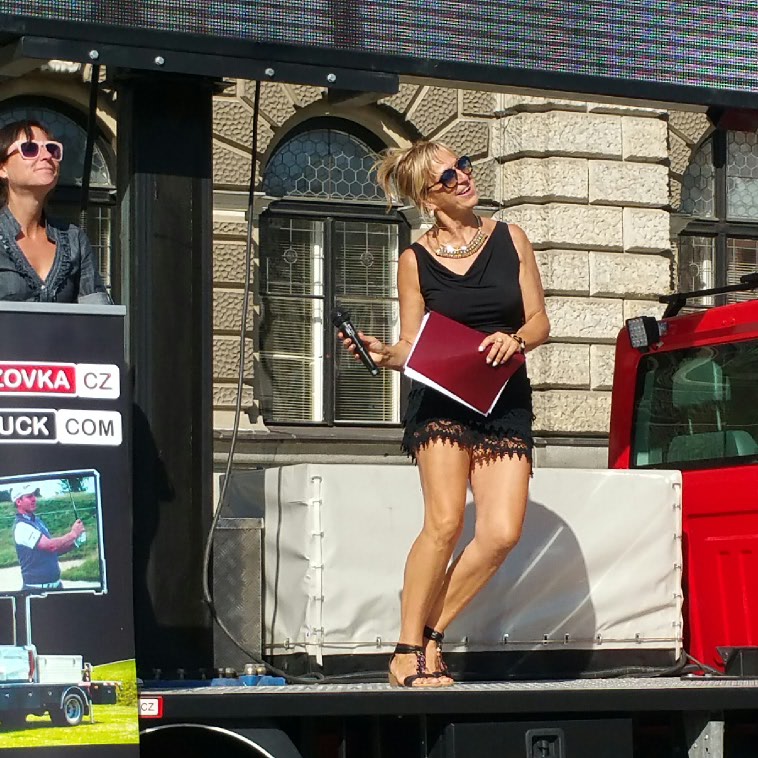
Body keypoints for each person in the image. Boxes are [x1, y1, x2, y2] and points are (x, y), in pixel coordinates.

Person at [340, 142, 550, 687]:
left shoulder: (512, 238)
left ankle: (433, 633)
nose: (463, 178)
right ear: (427, 198)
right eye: (448, 177)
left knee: (501, 532)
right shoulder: (414, 260)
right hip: (441, 402)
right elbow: (413, 345)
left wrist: (516, 338)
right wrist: (385, 354)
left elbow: (539, 322)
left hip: (504, 398)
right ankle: (406, 650)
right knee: (446, 523)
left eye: (463, 166)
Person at [0, 119, 110, 303]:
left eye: (52, 149)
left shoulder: (74, 239)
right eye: (30, 148)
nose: (46, 156)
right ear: (3, 168)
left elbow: (97, 312)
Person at [12, 484, 85, 592]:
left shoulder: (37, 521)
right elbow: (50, 546)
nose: (34, 499)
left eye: (34, 495)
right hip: (35, 590)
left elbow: (53, 551)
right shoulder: (21, 527)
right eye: (29, 496)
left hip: (57, 586)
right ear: (18, 502)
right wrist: (73, 534)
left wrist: (74, 543)